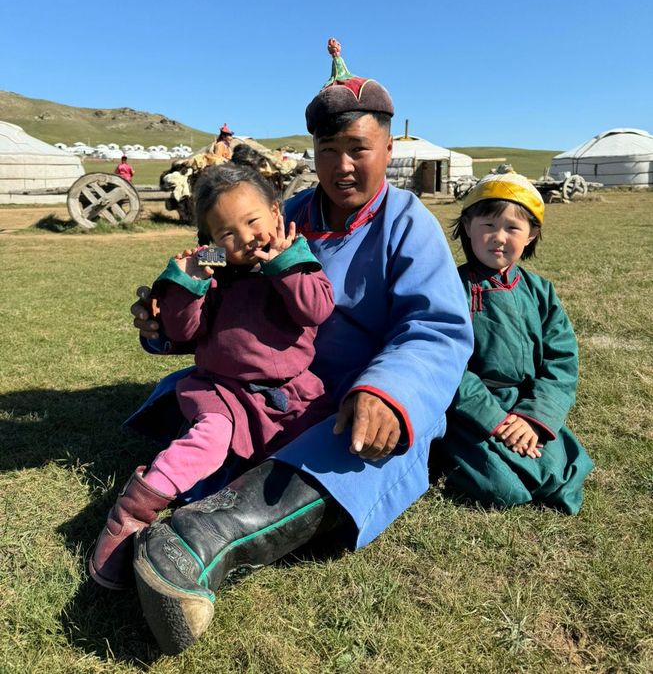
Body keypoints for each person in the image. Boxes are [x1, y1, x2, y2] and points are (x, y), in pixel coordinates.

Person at [125, 39, 473, 655]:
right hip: (266, 394)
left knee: (365, 443)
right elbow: (219, 308)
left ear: (388, 149)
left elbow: (437, 328)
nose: (342, 166)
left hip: (356, 395)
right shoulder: (277, 217)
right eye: (328, 151)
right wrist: (163, 320)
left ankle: (202, 542)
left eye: (358, 150)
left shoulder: (407, 222)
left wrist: (389, 392)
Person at [89, 163, 335, 590]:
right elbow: (181, 331)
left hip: (291, 395)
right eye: (226, 234)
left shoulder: (300, 258)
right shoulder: (215, 276)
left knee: (310, 454)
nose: (244, 238)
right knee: (210, 438)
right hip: (223, 391)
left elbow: (315, 309)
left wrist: (285, 265)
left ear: (277, 214)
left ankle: (226, 529)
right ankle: (131, 515)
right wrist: (187, 284)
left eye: (253, 221)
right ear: (210, 241)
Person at [441, 170, 593, 514]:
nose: (499, 237)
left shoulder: (541, 292)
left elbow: (561, 361)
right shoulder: (449, 287)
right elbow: (448, 361)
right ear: (468, 227)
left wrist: (531, 418)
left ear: (532, 233)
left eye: (513, 228)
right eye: (488, 225)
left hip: (525, 405)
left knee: (557, 473)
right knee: (502, 489)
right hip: (470, 409)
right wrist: (495, 419)